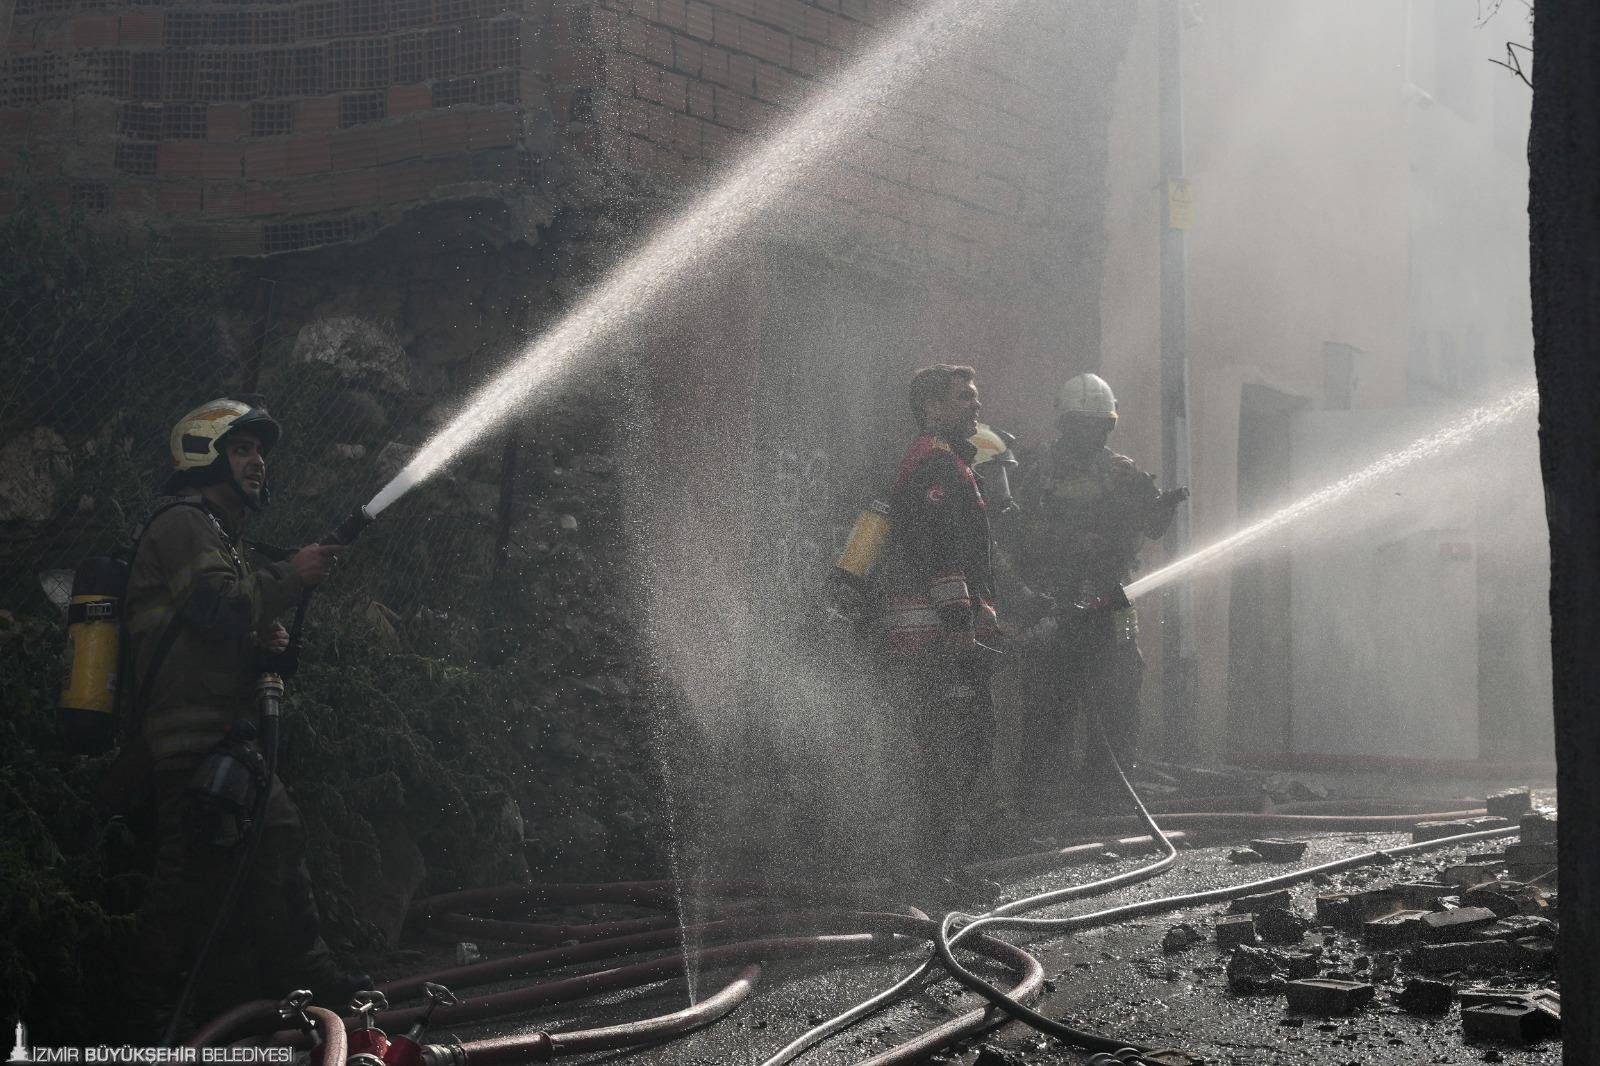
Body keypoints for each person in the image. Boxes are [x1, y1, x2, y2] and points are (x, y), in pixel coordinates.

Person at [120, 396, 363, 1038]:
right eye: (242, 450)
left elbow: (220, 622)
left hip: (226, 733)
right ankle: (145, 1015)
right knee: (187, 874)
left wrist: (264, 641)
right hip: (187, 733)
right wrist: (291, 576)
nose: (257, 462)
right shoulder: (182, 523)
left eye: (260, 452)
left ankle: (310, 980)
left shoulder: (220, 535)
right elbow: (214, 608)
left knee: (278, 837)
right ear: (203, 455)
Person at [1007, 373, 1186, 812]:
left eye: (1101, 427)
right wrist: (1071, 542)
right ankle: (1042, 802)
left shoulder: (1121, 471)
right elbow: (1014, 531)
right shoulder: (1036, 469)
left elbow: (1152, 528)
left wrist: (1156, 505)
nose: (1094, 436)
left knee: (1119, 698)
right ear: (1066, 424)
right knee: (1049, 704)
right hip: (1053, 602)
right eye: (1084, 426)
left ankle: (1107, 797)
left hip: (1110, 602)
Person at [871, 364, 1001, 882]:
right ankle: (939, 868)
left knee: (952, 746)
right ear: (932, 408)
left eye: (976, 396)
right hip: (937, 638)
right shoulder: (936, 467)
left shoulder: (946, 462)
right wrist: (959, 624)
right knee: (957, 747)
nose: (976, 405)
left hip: (936, 636)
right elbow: (942, 551)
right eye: (964, 397)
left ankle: (941, 866)